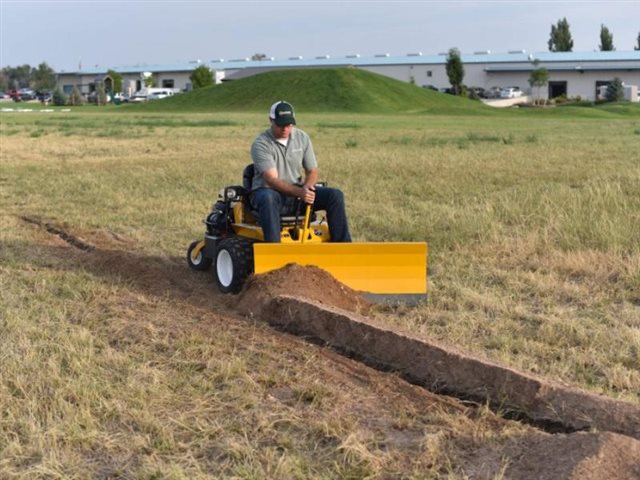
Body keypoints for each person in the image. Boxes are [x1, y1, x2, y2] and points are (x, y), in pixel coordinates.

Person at [250, 100, 351, 243]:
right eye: (280, 124)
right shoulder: (261, 144)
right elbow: (271, 180)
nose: (285, 128)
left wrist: (307, 188)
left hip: (297, 192)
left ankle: (343, 247)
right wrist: (300, 193)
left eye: (289, 124)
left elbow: (312, 171)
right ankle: (273, 249)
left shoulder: (302, 138)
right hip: (268, 192)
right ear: (271, 120)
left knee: (335, 195)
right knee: (268, 197)